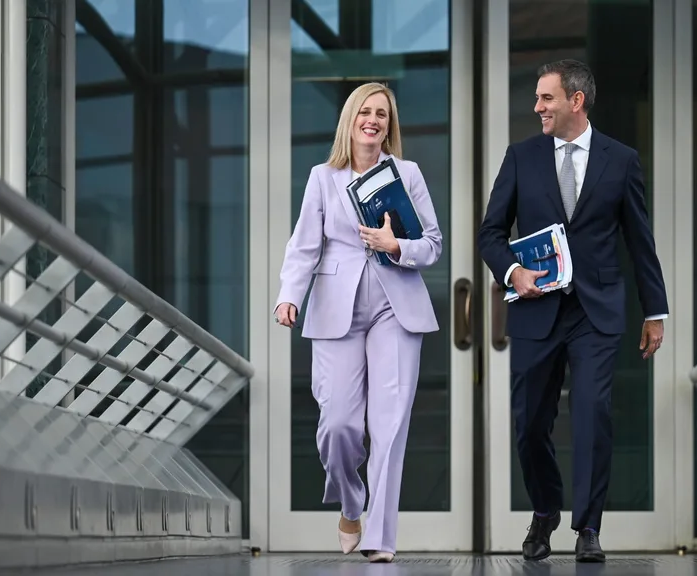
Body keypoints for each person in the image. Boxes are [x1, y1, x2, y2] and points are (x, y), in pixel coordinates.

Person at [478, 59, 669, 563]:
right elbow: (490, 234)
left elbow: (639, 239)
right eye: (538, 98)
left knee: (591, 413)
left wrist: (656, 311)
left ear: (576, 101)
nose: (537, 107)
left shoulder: (621, 159)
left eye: (546, 98)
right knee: (530, 423)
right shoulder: (521, 157)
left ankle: (588, 526)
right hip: (538, 309)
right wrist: (513, 273)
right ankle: (545, 511)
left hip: (596, 310)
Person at [273, 82, 442, 563]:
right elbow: (303, 244)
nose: (373, 120)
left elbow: (432, 243)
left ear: (390, 127)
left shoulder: (406, 174)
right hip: (335, 309)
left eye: (382, 115)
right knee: (340, 426)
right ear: (350, 120)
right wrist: (290, 295)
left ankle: (380, 538)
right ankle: (351, 504)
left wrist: (397, 247)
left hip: (396, 305)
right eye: (365, 112)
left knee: (388, 426)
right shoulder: (322, 177)